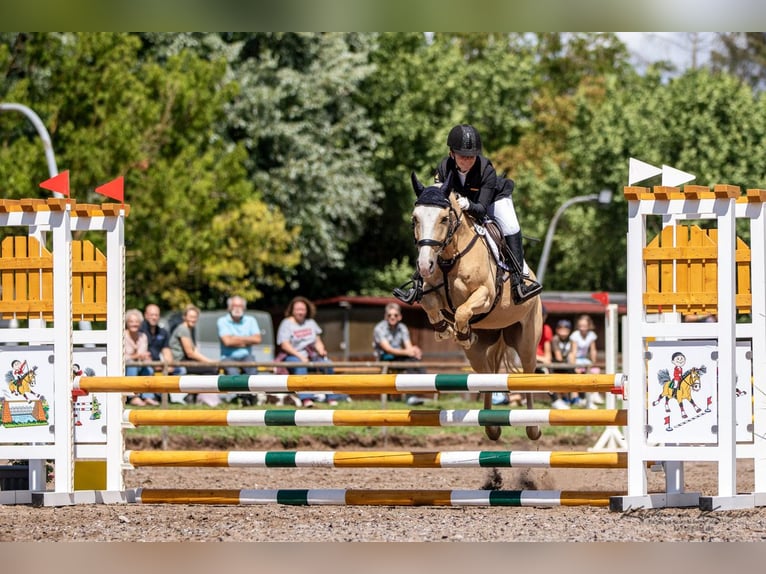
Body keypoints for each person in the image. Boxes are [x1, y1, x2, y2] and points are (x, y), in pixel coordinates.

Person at [394, 123, 542, 305]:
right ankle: (418, 282)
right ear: (452, 154)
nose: (467, 161)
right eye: (463, 157)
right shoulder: (443, 168)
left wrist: (468, 204)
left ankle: (519, 281)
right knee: (432, 227)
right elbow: (439, 200)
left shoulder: (486, 170)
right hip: (459, 206)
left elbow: (481, 209)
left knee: (511, 226)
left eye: (472, 157)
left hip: (493, 200)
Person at [275, 296, 346, 407]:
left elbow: (317, 341)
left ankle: (331, 397)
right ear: (292, 310)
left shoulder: (311, 323)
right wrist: (300, 356)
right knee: (301, 365)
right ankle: (306, 398)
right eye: (298, 309)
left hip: (311, 356)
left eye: (303, 309)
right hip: (292, 356)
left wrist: (321, 350)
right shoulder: (286, 323)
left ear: (307, 310)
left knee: (328, 365)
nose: (300, 312)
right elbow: (285, 345)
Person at [372, 302, 426, 406]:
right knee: (411, 362)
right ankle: (414, 393)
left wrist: (414, 352)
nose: (392, 317)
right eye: (389, 315)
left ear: (400, 317)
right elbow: (388, 349)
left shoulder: (402, 327)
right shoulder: (379, 328)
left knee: (415, 360)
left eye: (395, 315)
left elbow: (408, 346)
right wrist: (409, 351)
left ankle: (420, 387)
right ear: (385, 316)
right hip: (384, 358)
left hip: (399, 357)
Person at [169, 304, 220, 406]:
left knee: (211, 369)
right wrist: (210, 362)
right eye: (191, 317)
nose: (193, 319)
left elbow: (194, 352)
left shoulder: (190, 329)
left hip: (185, 361)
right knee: (211, 369)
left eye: (195, 317)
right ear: (184, 317)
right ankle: (193, 394)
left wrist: (209, 362)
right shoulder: (183, 329)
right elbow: (190, 353)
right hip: (180, 363)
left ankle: (193, 395)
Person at [140, 303, 186, 404]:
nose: (154, 317)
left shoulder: (163, 332)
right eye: (152, 315)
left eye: (156, 315)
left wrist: (168, 365)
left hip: (159, 364)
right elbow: (142, 354)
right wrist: (156, 366)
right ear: (146, 315)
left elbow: (166, 350)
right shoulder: (140, 330)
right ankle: (151, 397)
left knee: (181, 369)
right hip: (144, 363)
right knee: (147, 369)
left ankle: (177, 397)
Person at [217, 295, 262, 375]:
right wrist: (247, 341)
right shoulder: (222, 321)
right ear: (229, 307)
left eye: (240, 306)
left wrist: (234, 338)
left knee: (253, 375)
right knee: (233, 375)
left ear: (244, 308)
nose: (237, 308)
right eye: (234, 306)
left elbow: (258, 339)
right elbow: (227, 342)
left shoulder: (251, 320)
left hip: (246, 356)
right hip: (227, 357)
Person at [124, 308, 157, 406]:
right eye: (131, 321)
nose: (134, 324)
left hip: (139, 364)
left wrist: (145, 357)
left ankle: (148, 397)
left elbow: (143, 354)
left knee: (149, 369)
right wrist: (138, 355)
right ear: (127, 323)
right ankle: (134, 397)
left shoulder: (143, 336)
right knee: (132, 366)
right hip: (125, 367)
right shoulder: (122, 335)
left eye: (137, 321)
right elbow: (123, 358)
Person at [570, 313, 604, 407]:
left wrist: (593, 362)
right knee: (579, 374)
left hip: (585, 359)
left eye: (584, 326)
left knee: (596, 371)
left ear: (589, 326)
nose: (582, 328)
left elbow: (593, 350)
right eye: (580, 326)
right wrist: (574, 366)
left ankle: (594, 394)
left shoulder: (591, 335)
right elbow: (573, 351)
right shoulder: (575, 335)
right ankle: (582, 398)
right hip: (576, 359)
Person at [550, 318, 575, 409]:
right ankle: (559, 399)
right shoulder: (555, 339)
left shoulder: (571, 340)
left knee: (574, 372)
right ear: (557, 330)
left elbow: (572, 354)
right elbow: (558, 356)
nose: (563, 331)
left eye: (566, 329)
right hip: (555, 364)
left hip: (566, 364)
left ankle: (574, 397)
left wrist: (573, 364)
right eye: (561, 329)